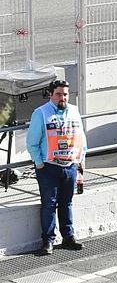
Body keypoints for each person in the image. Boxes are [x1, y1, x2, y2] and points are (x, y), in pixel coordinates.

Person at [26, 79, 87, 255]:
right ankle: (48, 241)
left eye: (65, 94)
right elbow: (32, 143)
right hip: (48, 167)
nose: (63, 97)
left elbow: (81, 137)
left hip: (70, 165)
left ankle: (68, 237)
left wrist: (81, 158)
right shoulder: (41, 114)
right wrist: (39, 163)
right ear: (51, 94)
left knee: (67, 202)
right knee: (49, 204)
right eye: (59, 94)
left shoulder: (74, 111)